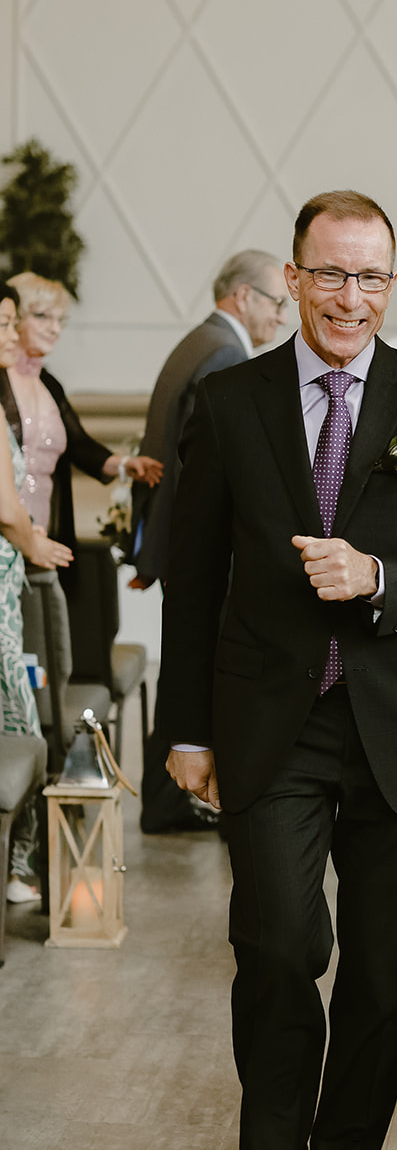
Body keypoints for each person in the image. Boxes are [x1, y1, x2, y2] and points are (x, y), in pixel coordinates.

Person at [157, 189, 397, 1150]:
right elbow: (192, 577)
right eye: (330, 273)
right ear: (296, 279)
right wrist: (183, 728)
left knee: (382, 966)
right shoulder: (230, 402)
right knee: (276, 939)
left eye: (370, 277)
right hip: (274, 724)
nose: (348, 296)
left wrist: (384, 579)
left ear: (389, 287)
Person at [131, 249, 288, 836]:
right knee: (208, 667)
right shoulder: (223, 353)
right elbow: (208, 467)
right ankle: (184, 800)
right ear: (242, 296)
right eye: (276, 301)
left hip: (178, 537)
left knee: (189, 663)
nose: (280, 316)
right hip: (206, 543)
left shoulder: (198, 341)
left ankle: (167, 800)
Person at [2, 273, 162, 568]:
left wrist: (125, 465)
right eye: (42, 317)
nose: (54, 329)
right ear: (15, 317)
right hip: (7, 528)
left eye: (59, 320)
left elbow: (79, 444)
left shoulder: (49, 383)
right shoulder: (1, 381)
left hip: (47, 526)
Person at [0, 284, 73, 903]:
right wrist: (32, 545)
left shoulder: (36, 386)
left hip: (23, 556)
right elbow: (6, 504)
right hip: (16, 558)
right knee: (20, 705)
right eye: (5, 323)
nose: (12, 336)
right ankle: (20, 861)